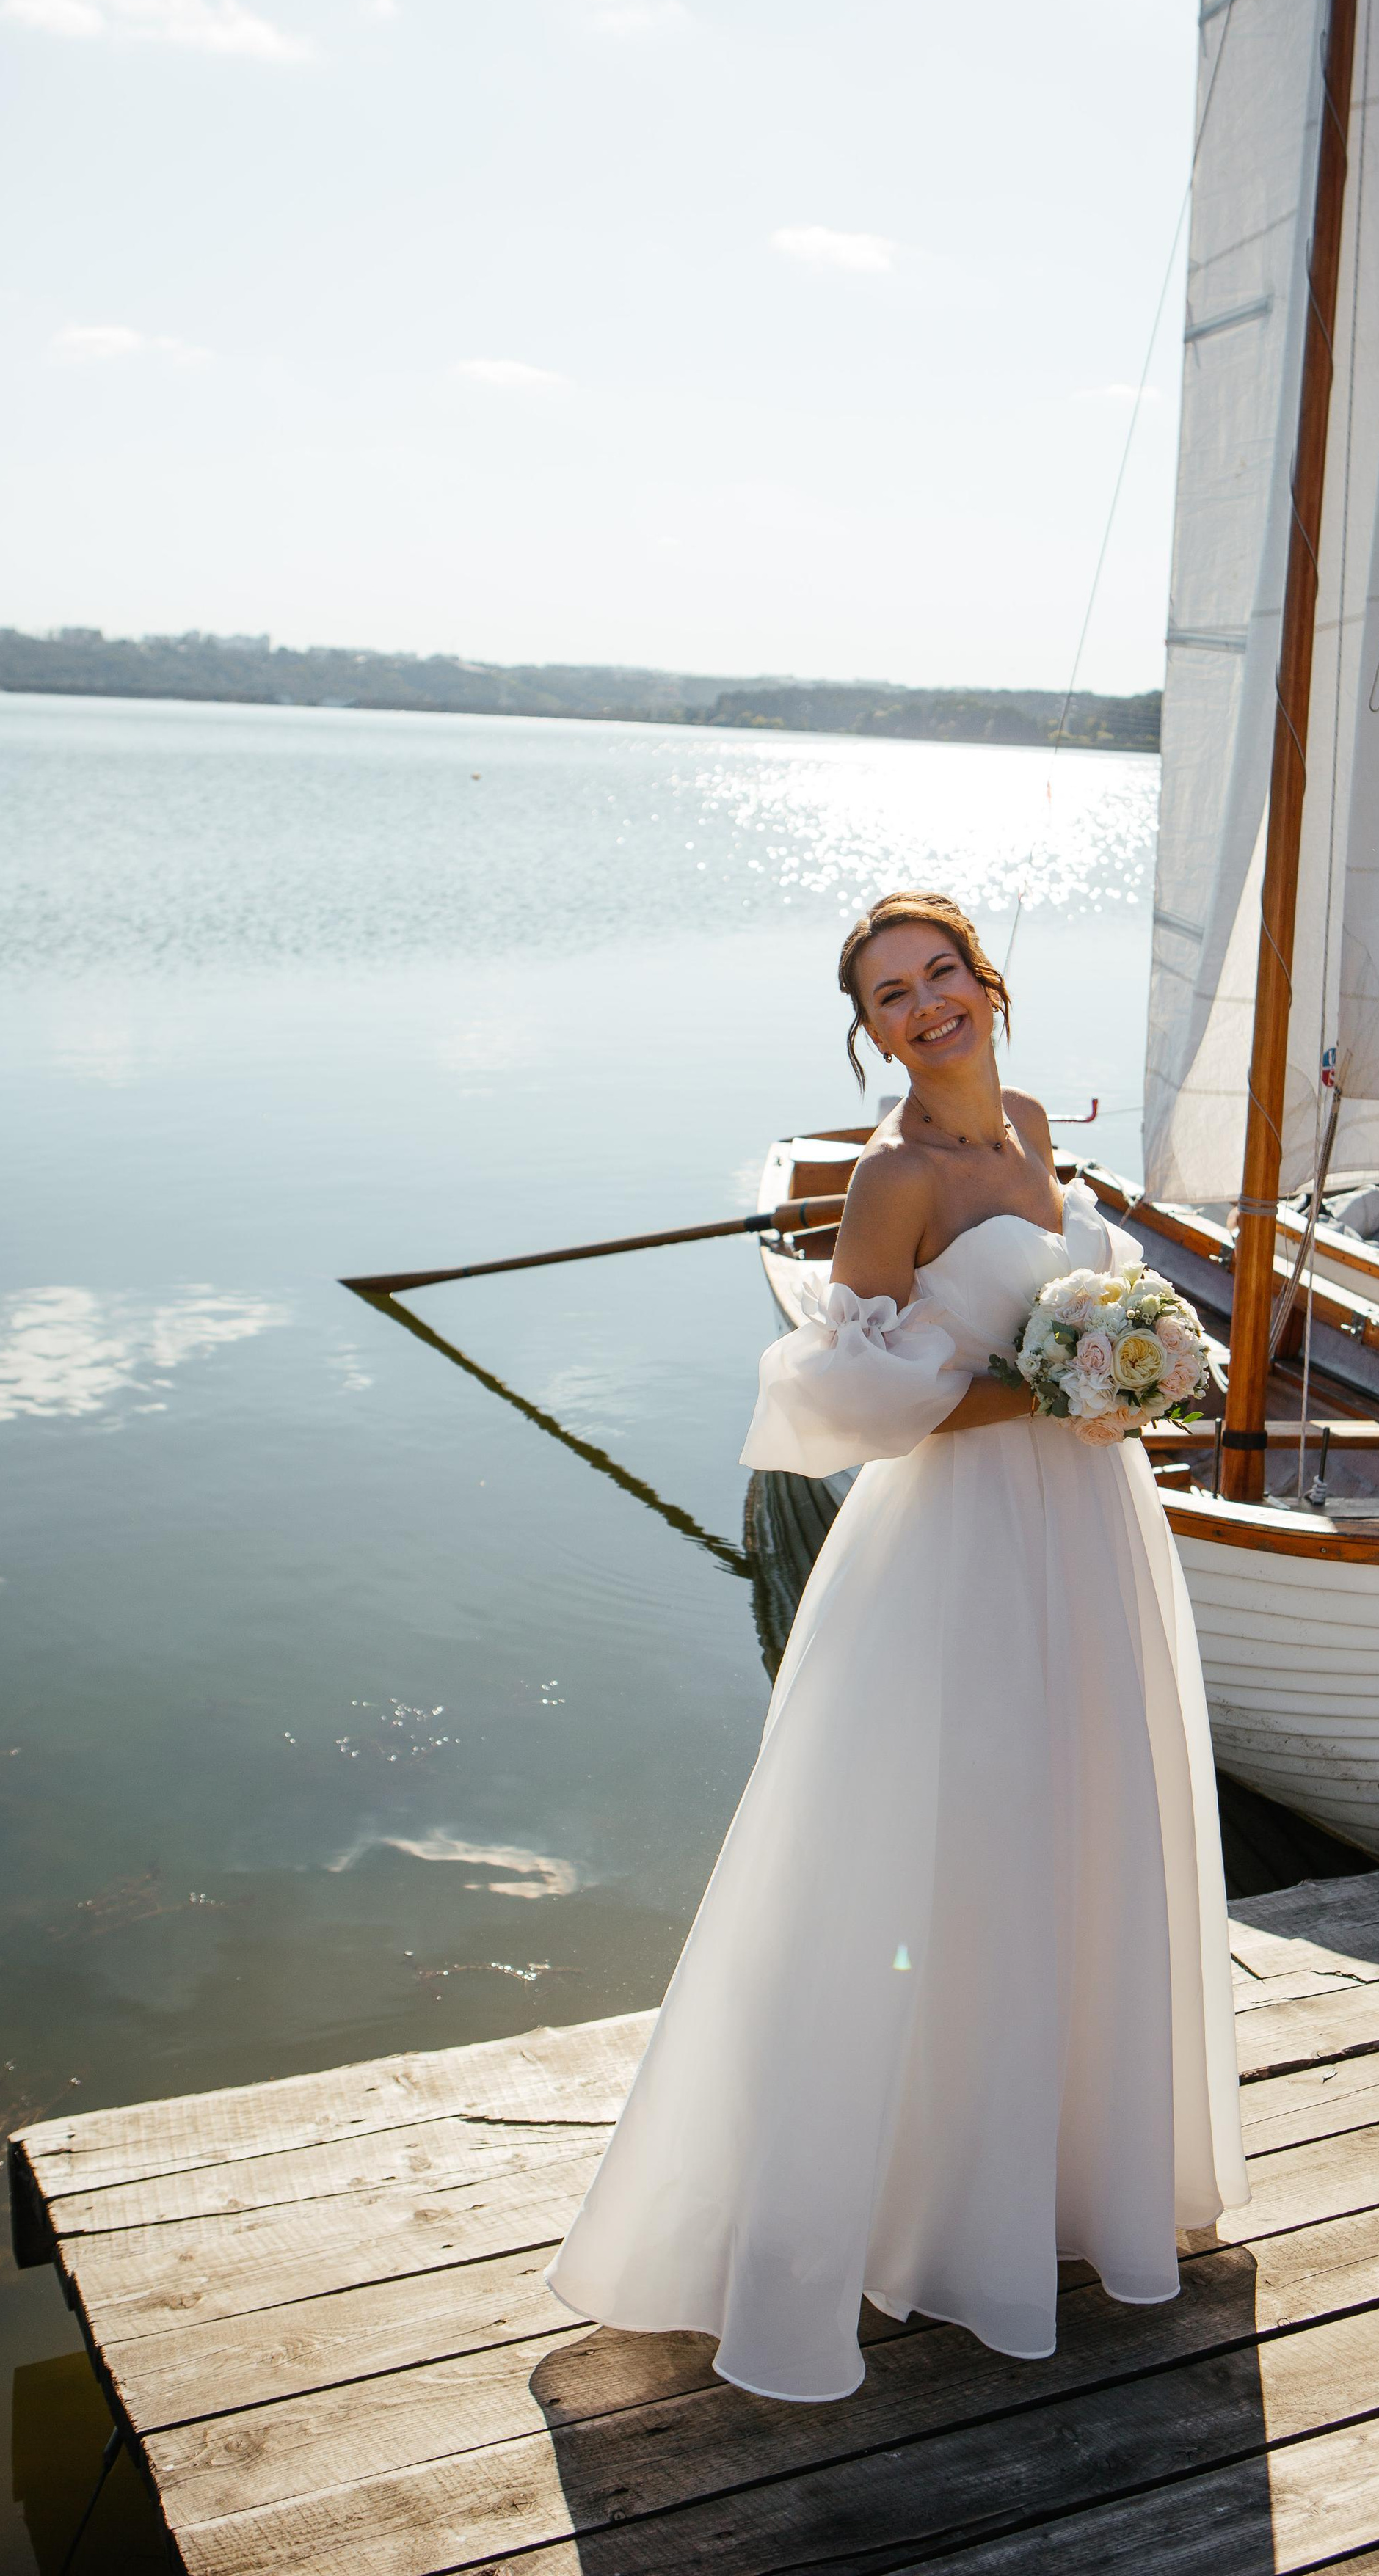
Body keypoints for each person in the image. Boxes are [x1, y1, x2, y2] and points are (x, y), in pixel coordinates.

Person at [547, 890, 1245, 2401]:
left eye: (940, 975)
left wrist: (1113, 1363)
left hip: (1085, 1527)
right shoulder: (891, 1178)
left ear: (987, 982)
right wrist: (1053, 1385)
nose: (924, 1007)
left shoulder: (1035, 1123)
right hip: (960, 1547)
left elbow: (1050, 1307)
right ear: (866, 1029)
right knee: (947, 1851)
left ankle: (1051, 2182)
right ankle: (910, 2201)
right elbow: (837, 1400)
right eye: (888, 996)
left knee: (1076, 1832)